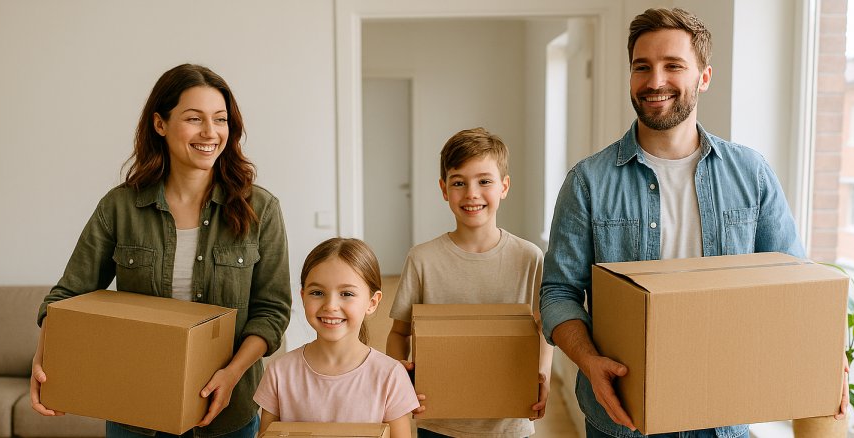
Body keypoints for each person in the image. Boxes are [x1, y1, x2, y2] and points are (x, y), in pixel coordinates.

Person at [539, 7, 849, 438]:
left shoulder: (751, 174)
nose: (655, 81)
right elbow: (558, 292)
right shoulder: (587, 182)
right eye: (641, 67)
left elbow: (791, 284)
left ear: (704, 77)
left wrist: (829, 356)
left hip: (723, 417)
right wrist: (589, 362)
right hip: (623, 417)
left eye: (673, 66)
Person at [29, 63, 292, 438]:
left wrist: (231, 375)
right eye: (194, 118)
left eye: (220, 119)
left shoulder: (260, 209)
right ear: (160, 124)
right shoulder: (119, 208)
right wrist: (43, 356)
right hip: (135, 411)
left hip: (227, 416)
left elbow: (272, 311)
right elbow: (68, 297)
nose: (210, 132)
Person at [385, 127, 554, 438]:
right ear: (444, 189)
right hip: (439, 422)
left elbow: (543, 328)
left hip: (510, 424)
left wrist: (542, 373)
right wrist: (401, 382)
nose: (472, 193)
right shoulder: (422, 259)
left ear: (504, 186)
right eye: (459, 182)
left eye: (484, 181)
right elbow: (399, 333)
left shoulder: (528, 258)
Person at [254, 238, 418, 437]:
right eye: (317, 292)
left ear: (372, 302)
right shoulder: (279, 373)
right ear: (303, 296)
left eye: (346, 293)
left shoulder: (391, 376)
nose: (330, 305)